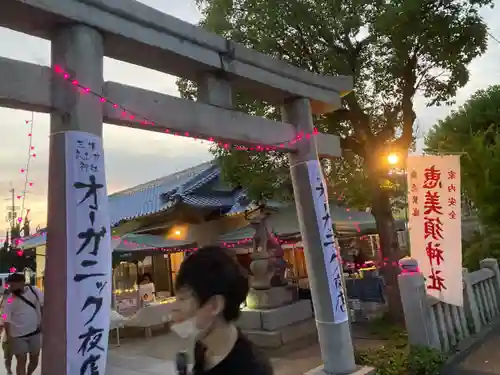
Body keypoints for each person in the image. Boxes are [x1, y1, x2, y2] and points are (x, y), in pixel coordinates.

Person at [170, 246, 273, 375]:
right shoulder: (202, 347)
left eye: (183, 299)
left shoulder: (252, 369)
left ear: (215, 306)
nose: (174, 307)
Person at [3, 273, 43, 375]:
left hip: (35, 333)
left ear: (22, 283)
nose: (11, 288)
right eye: (9, 285)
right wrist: (8, 335)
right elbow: (5, 317)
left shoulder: (34, 291)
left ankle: (29, 373)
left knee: (35, 359)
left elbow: (43, 304)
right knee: (21, 361)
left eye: (13, 285)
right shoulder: (10, 298)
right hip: (17, 336)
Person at [0, 289, 13, 375]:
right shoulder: (8, 299)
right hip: (5, 319)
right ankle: (8, 370)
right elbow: (5, 313)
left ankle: (9, 370)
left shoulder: (3, 299)